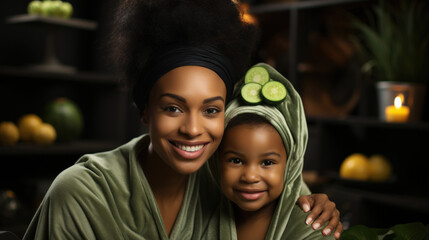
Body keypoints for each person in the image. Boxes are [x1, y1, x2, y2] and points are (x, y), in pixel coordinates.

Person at [23, 1, 341, 239]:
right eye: (173, 108)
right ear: (145, 110)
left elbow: (289, 201)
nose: (192, 129)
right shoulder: (82, 195)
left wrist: (315, 207)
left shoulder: (233, 178)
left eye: (211, 110)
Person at [205, 63, 340, 239]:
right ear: (216, 161)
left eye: (267, 162)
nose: (250, 176)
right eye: (236, 160)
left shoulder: (312, 228)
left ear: (290, 165)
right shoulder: (199, 221)